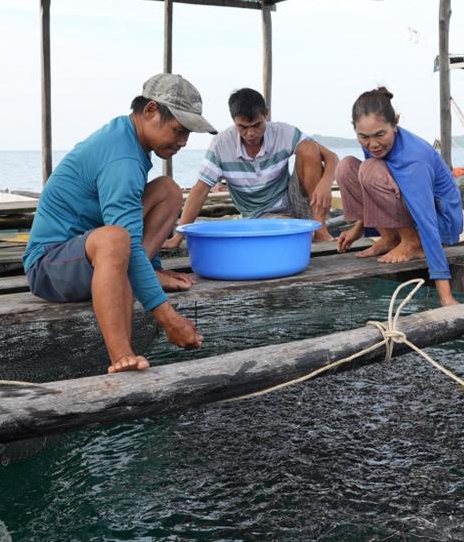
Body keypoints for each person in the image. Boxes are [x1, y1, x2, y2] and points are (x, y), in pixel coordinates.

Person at [23, 73, 216, 374]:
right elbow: (121, 236)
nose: (183, 142)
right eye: (178, 130)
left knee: (167, 190)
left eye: (188, 134)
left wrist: (149, 269)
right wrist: (168, 318)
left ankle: (143, 272)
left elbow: (129, 227)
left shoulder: (127, 137)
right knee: (116, 239)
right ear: (150, 111)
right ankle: (121, 356)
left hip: (94, 254)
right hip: (50, 265)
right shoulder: (121, 159)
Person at [335, 86, 464, 307]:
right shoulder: (374, 145)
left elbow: (427, 221)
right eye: (363, 137)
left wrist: (446, 296)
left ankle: (411, 242)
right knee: (346, 167)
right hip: (407, 211)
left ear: (394, 123)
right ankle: (389, 238)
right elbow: (369, 186)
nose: (373, 144)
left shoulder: (414, 159)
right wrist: (358, 228)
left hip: (439, 222)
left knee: (369, 169)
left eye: (380, 135)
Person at [162, 88, 339, 248]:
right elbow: (200, 190)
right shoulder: (221, 144)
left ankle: (321, 230)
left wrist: (325, 183)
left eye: (257, 125)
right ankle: (307, 231)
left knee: (308, 147)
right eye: (243, 128)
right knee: (289, 234)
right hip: (260, 215)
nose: (251, 134)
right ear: (234, 121)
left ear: (266, 115)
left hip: (295, 201)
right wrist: (178, 236)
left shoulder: (283, 132)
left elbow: (331, 157)